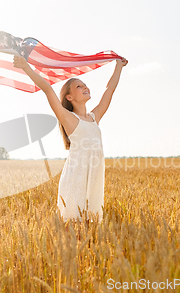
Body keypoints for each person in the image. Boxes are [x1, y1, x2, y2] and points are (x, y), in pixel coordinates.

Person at [13, 55, 128, 223]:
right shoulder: (69, 118)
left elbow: (109, 90)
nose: (85, 87)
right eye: (78, 86)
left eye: (84, 84)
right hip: (76, 178)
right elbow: (47, 89)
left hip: (94, 178)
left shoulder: (94, 118)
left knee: (92, 223)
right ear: (69, 97)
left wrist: (119, 66)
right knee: (74, 224)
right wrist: (25, 67)